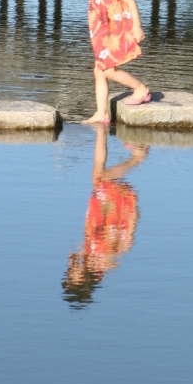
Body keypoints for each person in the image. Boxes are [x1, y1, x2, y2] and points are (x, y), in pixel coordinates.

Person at [62, 124, 148, 308]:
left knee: (97, 177)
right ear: (82, 282)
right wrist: (132, 217)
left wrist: (77, 256)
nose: (70, 272)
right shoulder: (104, 265)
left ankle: (102, 131)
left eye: (68, 275)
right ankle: (137, 158)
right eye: (71, 277)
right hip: (115, 217)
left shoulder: (88, 263)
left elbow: (89, 237)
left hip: (101, 214)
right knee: (102, 178)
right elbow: (125, 245)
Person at [69, 0, 150, 124]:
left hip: (115, 34)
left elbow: (130, 1)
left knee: (107, 71)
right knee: (99, 71)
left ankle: (141, 89)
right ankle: (102, 113)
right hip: (101, 37)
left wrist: (137, 26)